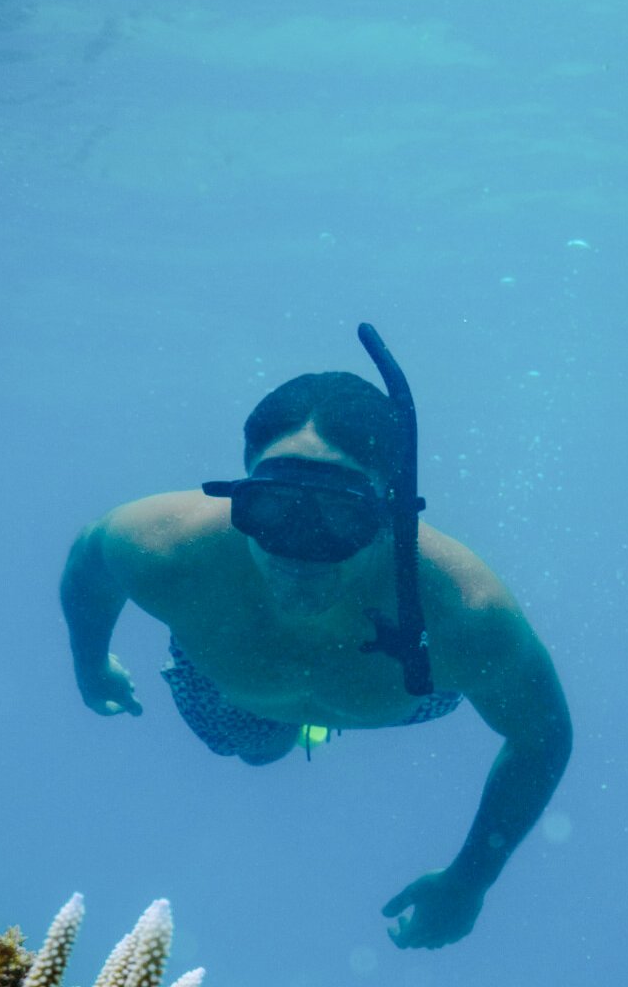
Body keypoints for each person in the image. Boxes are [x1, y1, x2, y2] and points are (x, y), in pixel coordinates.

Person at [61, 327, 572, 948]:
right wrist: (90, 662)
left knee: (263, 741)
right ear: (241, 490)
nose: (300, 547)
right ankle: (292, 732)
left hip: (410, 689)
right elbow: (89, 558)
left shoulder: (466, 614)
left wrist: (471, 879)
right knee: (255, 750)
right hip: (229, 692)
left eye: (339, 512)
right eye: (273, 506)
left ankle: (302, 726)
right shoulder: (166, 548)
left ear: (392, 510)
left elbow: (541, 736)